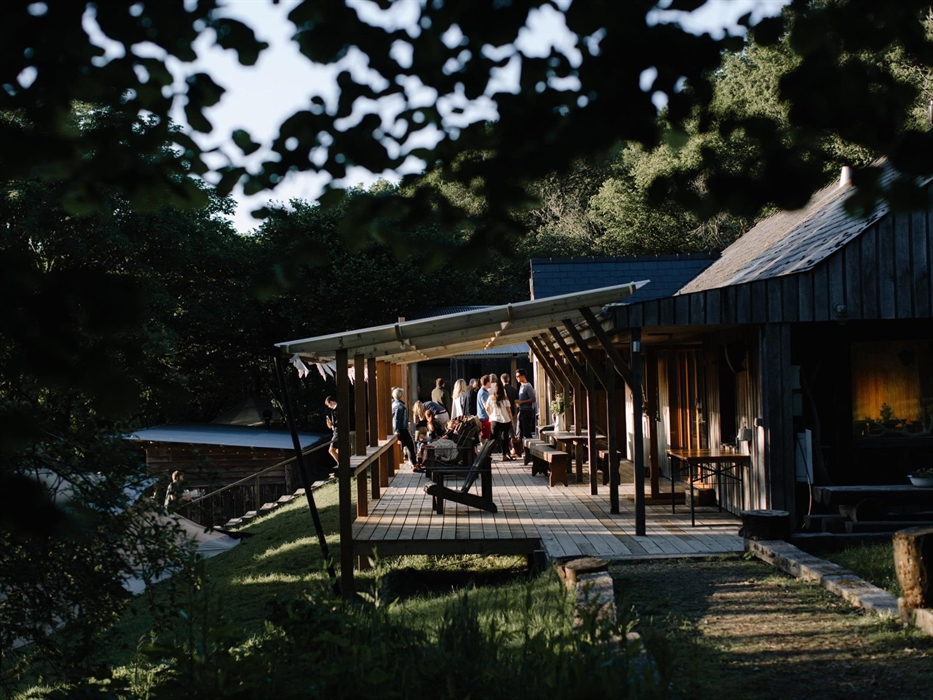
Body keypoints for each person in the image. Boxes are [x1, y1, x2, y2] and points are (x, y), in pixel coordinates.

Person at [485, 381, 514, 460]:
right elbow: (509, 410)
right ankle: (504, 455)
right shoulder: (505, 398)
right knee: (504, 438)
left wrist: (491, 415)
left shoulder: (490, 398)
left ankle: (488, 454)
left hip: (495, 419)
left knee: (492, 438)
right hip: (505, 420)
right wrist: (511, 420)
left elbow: (487, 408)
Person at [391, 387, 417, 467]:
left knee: (406, 445)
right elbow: (397, 419)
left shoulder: (394, 404)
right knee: (410, 445)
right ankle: (414, 463)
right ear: (401, 395)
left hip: (401, 428)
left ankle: (413, 463)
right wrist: (397, 430)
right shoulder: (399, 406)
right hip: (402, 429)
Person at [515, 369, 536, 441]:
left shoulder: (528, 386)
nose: (517, 378)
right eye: (516, 376)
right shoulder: (521, 386)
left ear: (523, 376)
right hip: (522, 410)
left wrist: (521, 402)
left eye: (518, 376)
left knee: (526, 431)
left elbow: (533, 399)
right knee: (520, 431)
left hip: (527, 411)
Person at [476, 375, 492, 442]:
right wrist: (491, 416)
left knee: (485, 435)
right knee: (485, 436)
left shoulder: (483, 391)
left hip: (483, 416)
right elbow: (486, 406)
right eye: (490, 381)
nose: (491, 383)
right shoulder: (483, 392)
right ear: (487, 382)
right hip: (485, 417)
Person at [324, 396, 339, 468]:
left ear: (330, 402)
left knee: (331, 450)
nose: (329, 407)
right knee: (337, 450)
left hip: (337, 432)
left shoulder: (337, 410)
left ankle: (340, 464)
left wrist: (332, 424)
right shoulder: (333, 411)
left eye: (328, 405)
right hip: (336, 432)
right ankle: (341, 464)